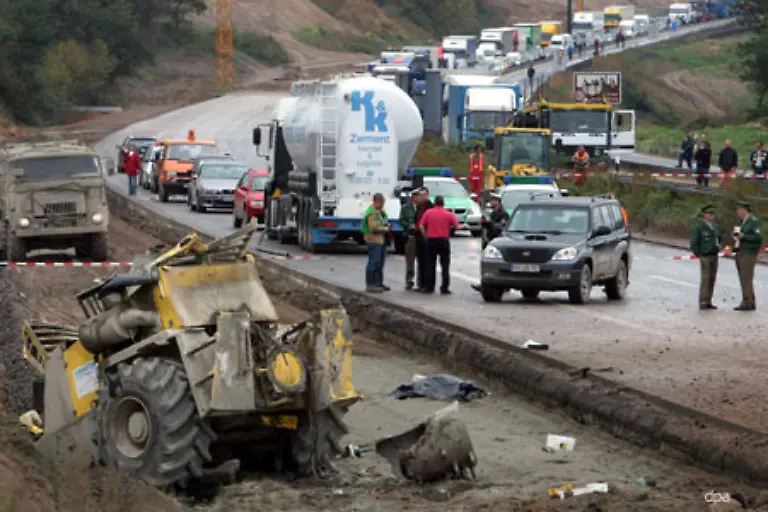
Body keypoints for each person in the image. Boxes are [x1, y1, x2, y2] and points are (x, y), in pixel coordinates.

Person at [419, 195, 459, 295]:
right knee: (445, 265)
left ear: (434, 203)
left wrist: (425, 236)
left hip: (431, 240)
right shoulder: (448, 214)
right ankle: (444, 287)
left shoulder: (428, 212)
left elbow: (421, 226)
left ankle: (429, 287)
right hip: (444, 240)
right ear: (443, 203)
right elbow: (457, 226)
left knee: (430, 264)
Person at [689, 204, 722, 310]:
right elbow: (694, 242)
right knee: (705, 278)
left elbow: (719, 238)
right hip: (705, 255)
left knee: (712, 278)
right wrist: (699, 254)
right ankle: (703, 300)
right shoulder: (699, 227)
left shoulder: (715, 226)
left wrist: (720, 246)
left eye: (713, 214)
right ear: (704, 215)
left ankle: (709, 300)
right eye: (709, 214)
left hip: (714, 254)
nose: (711, 216)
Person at [733, 201, 762, 311]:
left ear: (745, 210)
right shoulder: (743, 222)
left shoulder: (753, 221)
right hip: (741, 252)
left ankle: (748, 302)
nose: (737, 212)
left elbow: (758, 238)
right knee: (743, 278)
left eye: (739, 210)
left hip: (748, 253)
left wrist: (744, 236)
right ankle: (748, 299)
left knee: (747, 278)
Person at [361, 193, 391, 293]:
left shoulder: (378, 212)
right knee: (373, 262)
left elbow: (383, 220)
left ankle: (379, 283)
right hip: (373, 239)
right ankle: (370, 284)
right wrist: (386, 229)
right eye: (382, 202)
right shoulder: (372, 213)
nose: (383, 205)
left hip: (380, 239)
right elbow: (373, 227)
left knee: (380, 262)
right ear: (377, 201)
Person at [399, 189, 420, 290]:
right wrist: (409, 226)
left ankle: (421, 282)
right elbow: (401, 220)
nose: (419, 198)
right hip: (410, 236)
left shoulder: (423, 207)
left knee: (422, 261)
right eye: (418, 196)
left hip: (421, 236)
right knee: (410, 261)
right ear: (414, 197)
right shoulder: (406, 208)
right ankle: (409, 280)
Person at [414, 188, 433, 291]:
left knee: (427, 262)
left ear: (427, 195)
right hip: (419, 237)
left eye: (423, 195)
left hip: (427, 237)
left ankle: (427, 284)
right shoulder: (419, 207)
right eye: (420, 195)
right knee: (420, 261)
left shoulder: (430, 207)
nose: (421, 197)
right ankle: (421, 284)